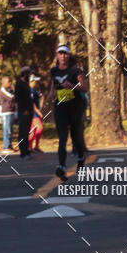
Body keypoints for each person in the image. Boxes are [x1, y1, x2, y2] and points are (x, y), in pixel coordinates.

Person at [48, 44, 88, 179]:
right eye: (60, 53)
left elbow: (84, 87)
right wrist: (50, 95)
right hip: (61, 108)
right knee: (62, 137)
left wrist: (73, 87)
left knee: (76, 137)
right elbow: (53, 85)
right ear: (57, 56)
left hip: (75, 107)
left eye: (65, 53)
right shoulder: (54, 71)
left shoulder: (75, 70)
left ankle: (81, 159)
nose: (63, 56)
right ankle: (62, 167)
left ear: (69, 55)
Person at [15, 67, 34, 159]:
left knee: (27, 132)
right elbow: (18, 99)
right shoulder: (19, 84)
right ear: (25, 74)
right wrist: (24, 110)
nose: (29, 76)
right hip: (23, 112)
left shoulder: (26, 84)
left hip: (29, 111)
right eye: (28, 74)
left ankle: (27, 150)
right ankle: (23, 152)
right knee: (22, 132)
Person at [28, 75, 44, 153]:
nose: (36, 83)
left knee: (33, 130)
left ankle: (33, 147)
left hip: (34, 114)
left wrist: (39, 95)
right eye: (35, 81)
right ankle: (31, 147)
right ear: (31, 82)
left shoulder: (33, 90)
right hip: (33, 114)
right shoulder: (30, 91)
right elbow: (31, 103)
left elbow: (36, 96)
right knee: (39, 128)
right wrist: (38, 112)